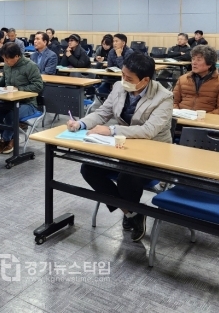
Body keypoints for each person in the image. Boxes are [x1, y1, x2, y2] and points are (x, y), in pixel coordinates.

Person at [70, 52, 173, 242]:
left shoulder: (163, 97)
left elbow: (148, 130)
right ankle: (132, 213)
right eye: (123, 75)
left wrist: (111, 130)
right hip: (124, 150)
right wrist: (81, 123)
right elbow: (103, 112)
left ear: (145, 80)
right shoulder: (119, 86)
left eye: (129, 78)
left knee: (127, 176)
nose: (124, 80)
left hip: (153, 154)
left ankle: (131, 213)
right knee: (89, 169)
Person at [0, 43, 44, 155]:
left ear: (17, 56)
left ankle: (4, 140)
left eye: (7, 59)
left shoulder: (30, 66)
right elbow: (4, 80)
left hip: (28, 103)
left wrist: (18, 89)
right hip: (8, 101)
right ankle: (12, 137)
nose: (6, 62)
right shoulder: (7, 65)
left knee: (12, 114)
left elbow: (38, 86)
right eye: (4, 59)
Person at [173, 45, 219, 115]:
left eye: (199, 60)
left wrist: (202, 117)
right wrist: (177, 114)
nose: (194, 63)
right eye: (193, 59)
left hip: (206, 119)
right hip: (181, 118)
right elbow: (173, 102)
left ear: (209, 64)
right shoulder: (182, 79)